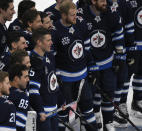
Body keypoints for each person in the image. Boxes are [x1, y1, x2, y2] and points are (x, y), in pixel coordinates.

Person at [78, 0, 126, 130]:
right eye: (102, 0)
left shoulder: (110, 12)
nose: (105, 2)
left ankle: (108, 122)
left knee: (109, 92)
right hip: (91, 64)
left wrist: (120, 55)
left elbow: (118, 33)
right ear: (93, 1)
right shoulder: (82, 14)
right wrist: (88, 63)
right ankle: (95, 116)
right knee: (91, 95)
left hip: (107, 61)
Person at [52, 1, 98, 131]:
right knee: (65, 113)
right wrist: (57, 75)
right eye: (72, 15)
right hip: (65, 81)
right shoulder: (55, 31)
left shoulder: (81, 24)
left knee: (88, 108)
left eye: (76, 14)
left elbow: (87, 48)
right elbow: (52, 57)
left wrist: (92, 67)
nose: (75, 17)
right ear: (63, 15)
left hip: (82, 77)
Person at [106, 0, 135, 127]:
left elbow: (128, 28)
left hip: (120, 51)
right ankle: (104, 115)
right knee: (106, 86)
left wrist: (130, 48)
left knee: (121, 81)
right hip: (104, 54)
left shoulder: (123, 4)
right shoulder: (101, 6)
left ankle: (116, 109)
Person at [29, 27, 64, 131]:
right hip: (43, 114)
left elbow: (53, 82)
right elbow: (33, 90)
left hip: (54, 110)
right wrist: (40, 111)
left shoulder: (48, 55)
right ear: (39, 42)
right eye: (48, 40)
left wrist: (61, 100)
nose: (51, 43)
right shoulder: (33, 61)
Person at [8, 64, 30, 131]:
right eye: (25, 77)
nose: (28, 79)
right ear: (16, 79)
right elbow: (19, 126)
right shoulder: (22, 96)